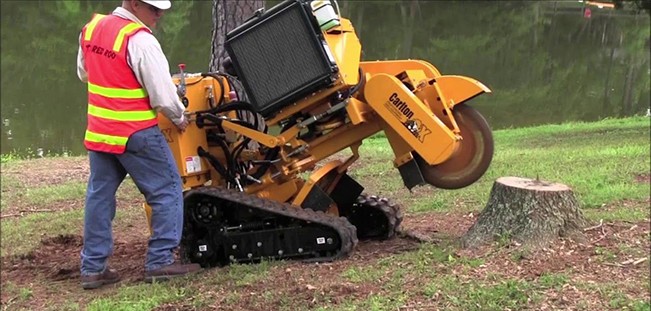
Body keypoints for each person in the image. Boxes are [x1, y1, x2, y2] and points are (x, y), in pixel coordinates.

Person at [76, 0, 202, 290]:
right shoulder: (141, 40)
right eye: (154, 9)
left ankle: (93, 268)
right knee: (168, 189)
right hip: (136, 133)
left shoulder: (91, 28)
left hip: (100, 132)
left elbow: (84, 73)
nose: (159, 15)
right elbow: (163, 95)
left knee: (99, 197)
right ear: (134, 3)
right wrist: (180, 117)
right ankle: (160, 262)